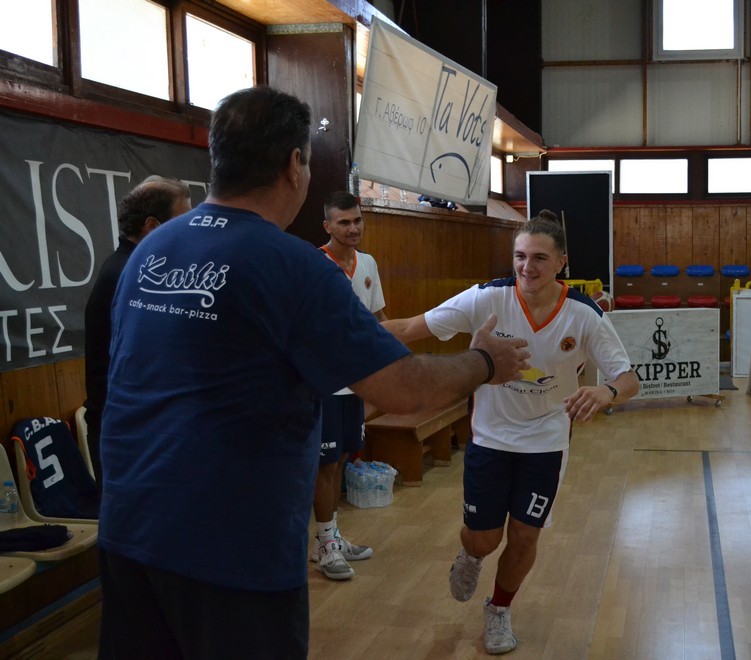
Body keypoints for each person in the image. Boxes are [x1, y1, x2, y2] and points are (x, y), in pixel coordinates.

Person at [96, 86, 529, 660]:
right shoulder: (293, 266)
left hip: (127, 533)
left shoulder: (148, 253)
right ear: (294, 163)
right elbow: (403, 388)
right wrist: (485, 361)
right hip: (229, 551)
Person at [383, 211, 639, 655]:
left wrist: (607, 391)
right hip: (490, 437)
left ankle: (499, 608)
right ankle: (471, 555)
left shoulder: (584, 314)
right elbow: (408, 328)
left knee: (524, 536)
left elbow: (629, 378)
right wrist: (336, 337)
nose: (527, 267)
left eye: (539, 258)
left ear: (561, 262)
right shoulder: (486, 299)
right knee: (483, 538)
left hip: (546, 441)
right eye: (520, 256)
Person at [83, 175, 192, 491]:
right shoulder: (130, 276)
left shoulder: (137, 269)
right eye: (183, 222)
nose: (191, 232)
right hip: (130, 436)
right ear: (153, 226)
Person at [310, 191, 383, 580]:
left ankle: (332, 536)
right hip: (325, 384)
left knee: (340, 460)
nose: (353, 228)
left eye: (357, 220)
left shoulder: (368, 263)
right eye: (344, 222)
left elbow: (378, 319)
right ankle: (325, 545)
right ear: (328, 226)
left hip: (358, 382)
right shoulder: (313, 265)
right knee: (324, 463)